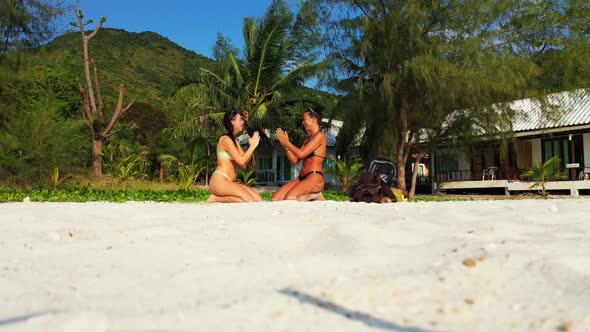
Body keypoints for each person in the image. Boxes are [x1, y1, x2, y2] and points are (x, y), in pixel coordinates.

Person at [272, 108, 327, 201]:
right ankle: (310, 196)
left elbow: (301, 154)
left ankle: (314, 195)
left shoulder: (320, 136)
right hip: (302, 178)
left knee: (289, 198)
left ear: (313, 119)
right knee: (275, 198)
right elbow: (294, 160)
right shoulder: (307, 140)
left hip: (314, 177)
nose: (303, 122)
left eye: (304, 119)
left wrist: (287, 142)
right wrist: (286, 147)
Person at [207, 111, 262, 203]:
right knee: (247, 200)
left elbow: (244, 164)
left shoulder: (234, 141)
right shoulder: (226, 140)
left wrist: (251, 146)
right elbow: (241, 161)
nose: (243, 122)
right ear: (232, 122)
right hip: (220, 181)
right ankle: (216, 198)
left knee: (257, 198)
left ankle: (217, 198)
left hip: (229, 182)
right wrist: (253, 146)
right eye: (240, 120)